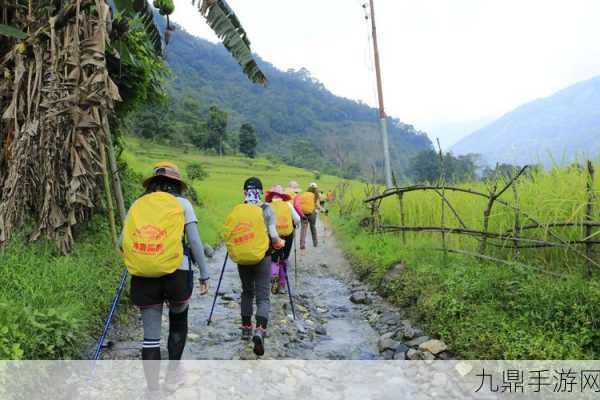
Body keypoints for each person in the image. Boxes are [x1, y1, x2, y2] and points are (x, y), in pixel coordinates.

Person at [121, 161, 210, 400]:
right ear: (176, 185)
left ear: (153, 184)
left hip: (144, 276)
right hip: (177, 274)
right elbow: (194, 242)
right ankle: (172, 375)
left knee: (150, 338)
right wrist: (204, 274)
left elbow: (122, 243)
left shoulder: (138, 205)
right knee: (178, 321)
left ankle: (152, 391)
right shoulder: (182, 204)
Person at [223, 177, 285, 356]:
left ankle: (245, 329)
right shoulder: (267, 209)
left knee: (247, 292)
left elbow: (230, 233)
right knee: (263, 297)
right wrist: (279, 242)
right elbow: (273, 235)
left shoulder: (238, 210)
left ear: (245, 192)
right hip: (262, 258)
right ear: (261, 192)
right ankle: (260, 330)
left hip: (243, 259)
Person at [265, 185, 301, 294]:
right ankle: (282, 284)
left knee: (274, 259)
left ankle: (274, 277)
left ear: (272, 196)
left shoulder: (267, 206)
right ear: (282, 196)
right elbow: (297, 219)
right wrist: (295, 225)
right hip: (287, 235)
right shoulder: (288, 205)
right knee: (284, 259)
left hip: (273, 236)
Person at [299, 182, 320, 250]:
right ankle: (315, 243)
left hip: (303, 213)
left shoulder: (304, 194)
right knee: (313, 227)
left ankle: (302, 244)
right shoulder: (315, 195)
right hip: (312, 213)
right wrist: (323, 209)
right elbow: (317, 205)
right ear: (315, 188)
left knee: (303, 228)